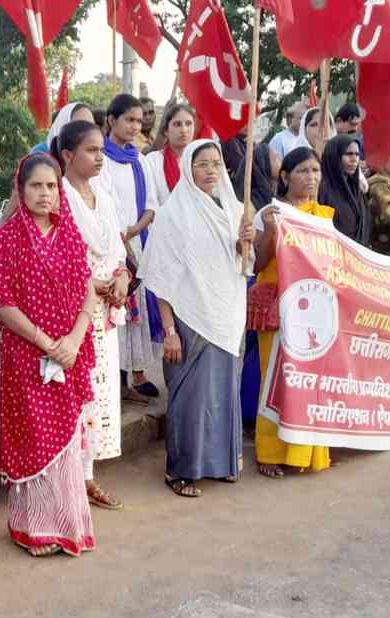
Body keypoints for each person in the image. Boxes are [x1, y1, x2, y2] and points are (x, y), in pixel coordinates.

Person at [0, 153, 99, 556]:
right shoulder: (6, 238)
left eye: (51, 186)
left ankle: (68, 524)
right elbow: (1, 300)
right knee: (34, 435)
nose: (45, 193)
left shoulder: (70, 235)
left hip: (70, 352)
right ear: (21, 189)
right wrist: (45, 341)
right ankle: (33, 528)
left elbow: (87, 289)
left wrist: (73, 338)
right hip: (27, 355)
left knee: (67, 438)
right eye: (36, 185)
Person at [142, 139, 251, 498]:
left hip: (227, 315)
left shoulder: (235, 211)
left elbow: (244, 265)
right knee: (191, 397)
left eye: (215, 164)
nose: (209, 171)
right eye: (201, 164)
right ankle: (182, 471)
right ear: (188, 168)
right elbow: (160, 276)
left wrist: (245, 242)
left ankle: (219, 464)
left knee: (222, 393)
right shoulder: (174, 215)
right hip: (189, 318)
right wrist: (169, 329)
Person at [54, 119, 130, 510]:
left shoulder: (103, 193)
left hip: (106, 310)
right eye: (91, 150)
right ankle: (68, 480)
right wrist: (91, 286)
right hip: (73, 312)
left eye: (101, 150)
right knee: (74, 396)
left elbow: (116, 250)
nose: (100, 157)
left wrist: (121, 276)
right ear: (68, 155)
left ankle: (87, 478)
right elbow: (59, 254)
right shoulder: (59, 197)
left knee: (98, 398)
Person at [251, 147, 333, 478]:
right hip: (277, 304)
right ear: (284, 176)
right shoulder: (269, 213)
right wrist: (272, 230)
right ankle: (269, 451)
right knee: (275, 380)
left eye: (315, 171)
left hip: (314, 306)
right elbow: (257, 264)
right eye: (303, 171)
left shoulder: (324, 215)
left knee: (308, 379)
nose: (311, 178)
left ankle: (306, 453)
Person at [103, 93, 163, 400]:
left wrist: (133, 231)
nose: (135, 126)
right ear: (112, 120)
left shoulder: (140, 160)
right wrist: (117, 237)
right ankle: (114, 376)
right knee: (114, 309)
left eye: (139, 121)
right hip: (107, 244)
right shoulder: (99, 157)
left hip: (137, 243)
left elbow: (150, 207)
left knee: (136, 310)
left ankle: (137, 374)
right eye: (129, 119)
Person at [319, 134, 371, 246]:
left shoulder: (357, 189)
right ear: (334, 156)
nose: (354, 159)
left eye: (357, 154)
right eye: (348, 154)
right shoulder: (322, 190)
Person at [144, 102, 196, 206]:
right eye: (177, 124)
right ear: (166, 131)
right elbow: (150, 202)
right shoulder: (153, 161)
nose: (184, 130)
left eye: (188, 124)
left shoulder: (201, 160)